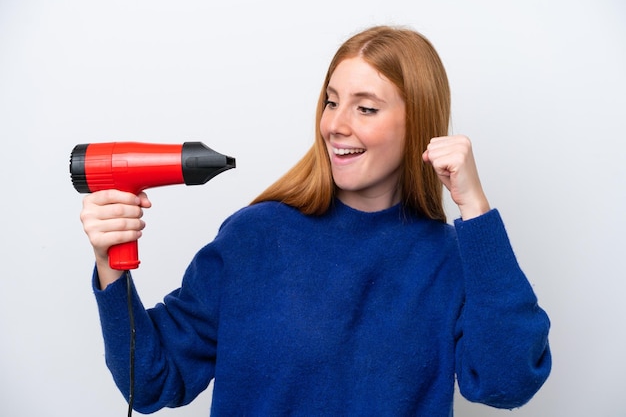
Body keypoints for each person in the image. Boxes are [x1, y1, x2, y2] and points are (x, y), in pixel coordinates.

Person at [80, 25, 551, 416]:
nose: (336, 124)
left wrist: (475, 207)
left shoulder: (450, 259)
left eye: (365, 108)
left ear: (420, 125)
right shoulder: (255, 236)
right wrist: (110, 263)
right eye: (331, 101)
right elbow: (152, 381)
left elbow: (506, 383)